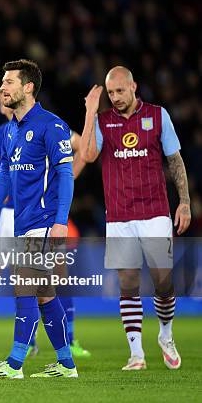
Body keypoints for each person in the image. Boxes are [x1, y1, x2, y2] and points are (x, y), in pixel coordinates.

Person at [80, 66, 189, 370]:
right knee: (128, 283)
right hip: (119, 216)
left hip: (155, 211)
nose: (114, 97)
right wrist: (90, 112)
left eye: (119, 91)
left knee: (162, 281)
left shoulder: (157, 116)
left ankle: (165, 336)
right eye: (110, 93)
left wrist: (184, 203)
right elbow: (87, 156)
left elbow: (175, 160)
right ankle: (136, 354)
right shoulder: (103, 121)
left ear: (133, 87)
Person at [0, 91, 90, 358]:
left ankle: (17, 360)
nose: (2, 91)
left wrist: (60, 213)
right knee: (39, 288)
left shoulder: (51, 124)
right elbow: (2, 173)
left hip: (45, 216)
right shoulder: (7, 132)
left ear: (27, 88)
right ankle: (64, 359)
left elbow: (80, 157)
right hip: (16, 218)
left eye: (8, 83)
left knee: (36, 282)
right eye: (0, 88)